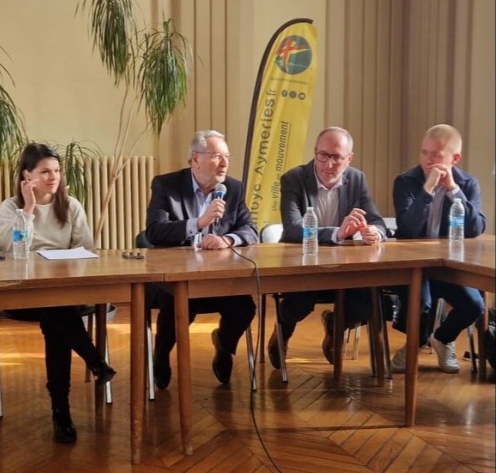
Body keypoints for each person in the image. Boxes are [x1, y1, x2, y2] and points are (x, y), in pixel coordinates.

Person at [0, 143, 116, 444]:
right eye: (45, 171)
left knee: (56, 314)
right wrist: (28, 210)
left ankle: (62, 411)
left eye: (57, 171)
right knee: (56, 314)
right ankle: (93, 363)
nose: (53, 177)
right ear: (27, 175)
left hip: (63, 291)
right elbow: (1, 246)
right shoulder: (11, 206)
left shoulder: (70, 205)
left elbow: (86, 249)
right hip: (22, 293)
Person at [145, 130, 258, 386]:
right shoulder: (166, 185)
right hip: (177, 279)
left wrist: (228, 240)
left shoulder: (233, 188)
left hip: (218, 277)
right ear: (196, 159)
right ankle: (161, 354)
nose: (225, 163)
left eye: (227, 156)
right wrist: (199, 222)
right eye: (217, 156)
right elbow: (153, 232)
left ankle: (224, 345)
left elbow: (251, 229)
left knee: (244, 308)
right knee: (175, 308)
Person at [270, 127, 387, 368]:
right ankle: (282, 332)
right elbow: (292, 229)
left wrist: (375, 232)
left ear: (349, 158)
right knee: (298, 305)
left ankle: (336, 326)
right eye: (322, 155)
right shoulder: (294, 179)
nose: (328, 164)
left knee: (370, 303)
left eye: (336, 157)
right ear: (315, 152)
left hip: (344, 267)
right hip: (303, 263)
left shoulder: (356, 179)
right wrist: (337, 233)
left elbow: (377, 220)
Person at [391, 123, 486, 373]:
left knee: (474, 305)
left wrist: (453, 189)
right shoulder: (406, 181)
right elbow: (408, 229)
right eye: (424, 152)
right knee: (420, 304)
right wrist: (427, 190)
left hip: (448, 265)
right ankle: (415, 343)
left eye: (436, 155)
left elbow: (476, 227)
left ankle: (443, 339)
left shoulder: (468, 183)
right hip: (414, 264)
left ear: (454, 158)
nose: (428, 160)